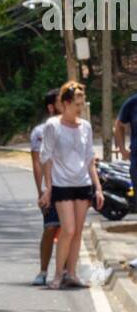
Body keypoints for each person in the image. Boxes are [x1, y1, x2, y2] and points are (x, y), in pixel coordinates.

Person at [40, 81, 104, 288]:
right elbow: (46, 157)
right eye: (77, 103)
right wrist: (48, 188)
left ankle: (72, 273)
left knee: (77, 231)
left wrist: (98, 188)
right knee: (67, 229)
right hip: (62, 185)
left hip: (82, 183)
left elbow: (89, 159)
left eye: (82, 103)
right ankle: (58, 275)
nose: (80, 107)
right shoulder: (53, 126)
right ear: (66, 103)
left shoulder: (85, 126)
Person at [30, 88, 61, 286]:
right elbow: (36, 162)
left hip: (71, 185)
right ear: (51, 107)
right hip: (50, 188)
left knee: (69, 230)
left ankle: (66, 271)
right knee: (50, 228)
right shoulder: (39, 132)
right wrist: (41, 190)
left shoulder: (76, 126)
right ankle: (43, 271)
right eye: (60, 101)